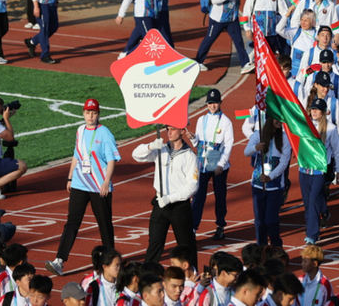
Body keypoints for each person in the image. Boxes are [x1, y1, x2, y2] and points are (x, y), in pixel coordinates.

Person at [46, 98, 121, 277]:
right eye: (87, 112)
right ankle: (59, 260)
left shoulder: (104, 133)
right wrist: (70, 177)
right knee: (72, 222)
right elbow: (76, 155)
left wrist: (106, 182)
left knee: (104, 224)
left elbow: (111, 160)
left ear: (98, 114)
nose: (90, 116)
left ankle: (111, 262)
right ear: (83, 113)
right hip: (80, 183)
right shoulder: (80, 130)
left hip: (98, 186)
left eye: (93, 113)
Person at [133, 125, 199, 267]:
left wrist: (170, 198)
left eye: (173, 129)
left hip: (179, 207)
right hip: (159, 204)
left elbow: (193, 185)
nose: (169, 132)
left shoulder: (190, 156)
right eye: (167, 129)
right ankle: (148, 277)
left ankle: (192, 277)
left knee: (186, 246)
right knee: (154, 244)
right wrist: (150, 146)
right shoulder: (161, 149)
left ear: (182, 131)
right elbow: (136, 155)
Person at [195, 0, 255, 74]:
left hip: (232, 18)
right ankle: (198, 61)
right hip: (218, 19)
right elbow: (214, 0)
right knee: (209, 39)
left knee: (239, 41)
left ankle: (245, 64)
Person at [190, 89, 234, 241]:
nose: (212, 106)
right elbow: (198, 142)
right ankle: (193, 227)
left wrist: (221, 164)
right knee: (198, 196)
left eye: (215, 103)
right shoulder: (201, 120)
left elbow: (228, 145)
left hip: (218, 166)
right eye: (210, 103)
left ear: (220, 103)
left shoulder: (226, 122)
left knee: (220, 196)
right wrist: (192, 138)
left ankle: (220, 226)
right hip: (202, 163)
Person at [244, 114, 292, 246]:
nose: (279, 122)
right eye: (276, 118)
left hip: (275, 187)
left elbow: (284, 163)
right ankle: (262, 249)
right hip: (258, 185)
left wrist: (270, 177)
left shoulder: (284, 139)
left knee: (271, 221)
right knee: (259, 222)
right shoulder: (258, 135)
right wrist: (256, 148)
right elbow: (246, 151)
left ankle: (276, 248)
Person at [301, 99, 339, 244]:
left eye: (317, 109)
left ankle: (312, 235)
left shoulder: (330, 128)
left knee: (313, 200)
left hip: (320, 171)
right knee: (307, 202)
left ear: (324, 112)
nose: (314, 111)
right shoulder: (305, 125)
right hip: (304, 169)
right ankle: (323, 212)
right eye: (312, 109)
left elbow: (337, 150)